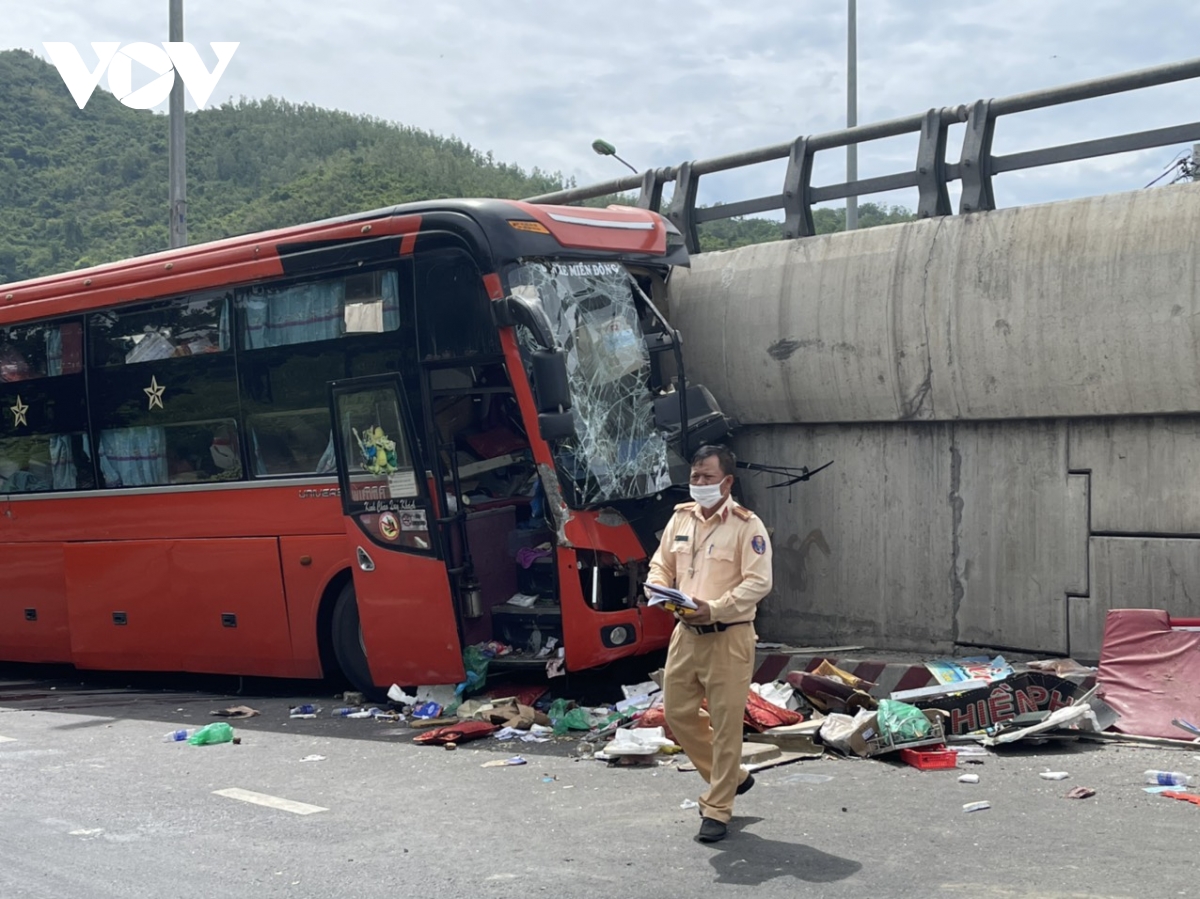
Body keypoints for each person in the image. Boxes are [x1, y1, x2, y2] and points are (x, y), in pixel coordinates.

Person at [646, 444, 773, 843]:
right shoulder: (681, 519)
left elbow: (759, 582)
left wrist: (715, 608)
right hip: (684, 633)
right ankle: (733, 777)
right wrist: (661, 588)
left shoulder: (746, 525)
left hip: (728, 636)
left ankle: (718, 807)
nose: (699, 484)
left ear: (727, 481)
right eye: (695, 477)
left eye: (707, 477)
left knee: (725, 725)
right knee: (678, 715)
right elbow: (662, 562)